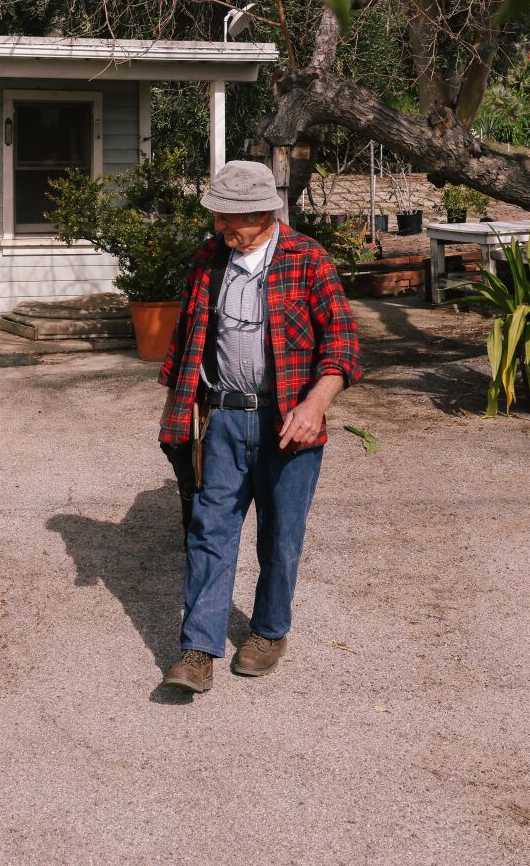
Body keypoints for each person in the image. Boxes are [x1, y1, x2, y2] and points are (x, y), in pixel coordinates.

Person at [155, 160, 362, 695]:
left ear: (266, 212)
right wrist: (182, 412)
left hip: (288, 422)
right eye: (219, 218)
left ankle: (269, 632)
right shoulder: (210, 259)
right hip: (224, 417)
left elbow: (341, 343)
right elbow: (188, 340)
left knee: (281, 535)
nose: (224, 229)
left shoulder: (307, 258)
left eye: (233, 219)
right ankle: (198, 648)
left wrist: (317, 402)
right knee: (210, 530)